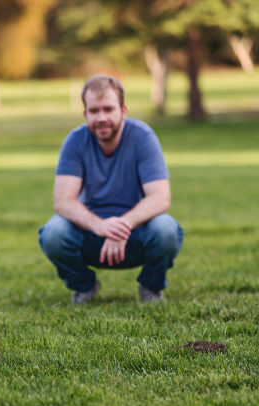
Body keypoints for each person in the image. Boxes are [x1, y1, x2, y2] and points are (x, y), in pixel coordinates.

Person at [38, 74, 183, 304]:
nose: (101, 117)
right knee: (53, 233)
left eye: (108, 109)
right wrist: (101, 226)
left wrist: (122, 226)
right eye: (94, 111)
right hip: (91, 233)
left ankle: (151, 288)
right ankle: (84, 287)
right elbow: (63, 201)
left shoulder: (143, 137)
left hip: (136, 234)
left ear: (123, 110)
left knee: (166, 229)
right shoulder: (76, 141)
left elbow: (160, 198)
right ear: (85, 114)